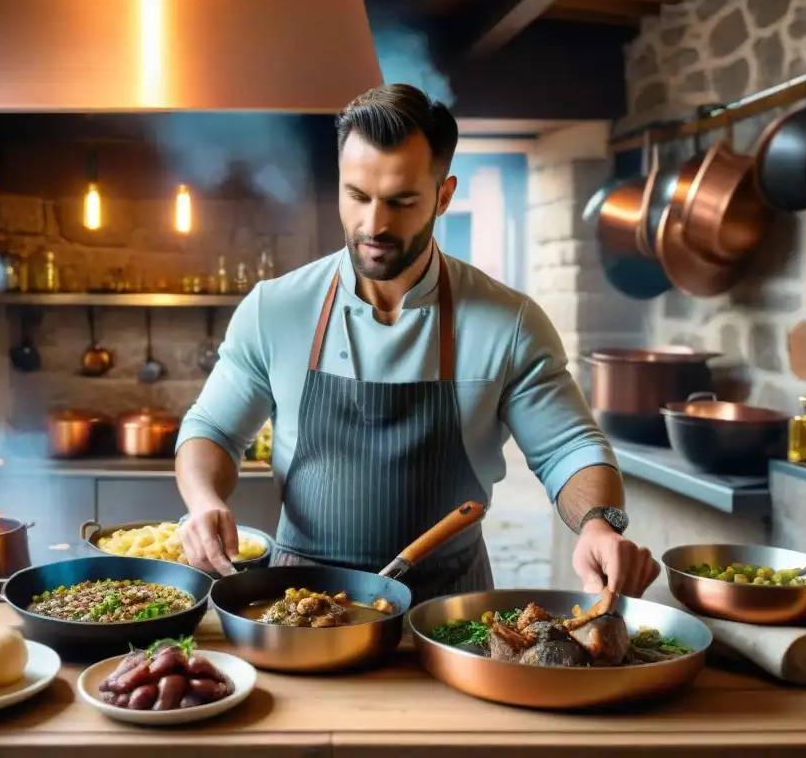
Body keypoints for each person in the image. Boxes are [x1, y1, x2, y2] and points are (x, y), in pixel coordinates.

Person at [174, 83, 659, 603]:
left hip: (449, 610)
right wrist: (203, 500)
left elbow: (570, 447)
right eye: (357, 196)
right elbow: (214, 430)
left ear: (444, 196)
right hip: (297, 601)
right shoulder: (276, 308)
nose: (374, 224)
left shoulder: (508, 322)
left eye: (401, 201)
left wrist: (598, 524)